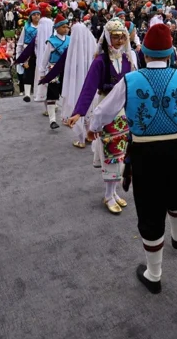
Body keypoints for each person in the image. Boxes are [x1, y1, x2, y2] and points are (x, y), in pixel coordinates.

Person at [88, 23, 177, 294]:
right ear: (171, 53)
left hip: (145, 153)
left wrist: (93, 127)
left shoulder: (131, 80)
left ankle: (154, 274)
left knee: (150, 208)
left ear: (142, 53)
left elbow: (104, 111)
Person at [66, 19, 138, 213]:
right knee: (110, 152)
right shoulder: (100, 61)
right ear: (107, 37)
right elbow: (89, 87)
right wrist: (78, 112)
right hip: (106, 108)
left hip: (122, 111)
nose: (120, 40)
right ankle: (108, 195)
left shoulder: (127, 60)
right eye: (115, 36)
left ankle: (114, 192)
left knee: (120, 153)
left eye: (122, 36)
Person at [39, 14, 71, 130]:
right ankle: (52, 120)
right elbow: (45, 58)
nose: (66, 29)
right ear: (57, 28)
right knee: (52, 95)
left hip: (66, 70)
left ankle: (66, 117)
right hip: (53, 71)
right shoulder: (51, 42)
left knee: (67, 93)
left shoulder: (70, 40)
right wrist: (42, 73)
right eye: (63, 27)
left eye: (67, 26)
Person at [15, 4, 42, 102]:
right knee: (28, 71)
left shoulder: (43, 27)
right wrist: (19, 55)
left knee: (39, 72)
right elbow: (21, 42)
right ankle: (27, 94)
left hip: (39, 51)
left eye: (38, 14)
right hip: (29, 51)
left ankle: (39, 93)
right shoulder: (26, 27)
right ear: (31, 16)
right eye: (34, 14)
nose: (36, 16)